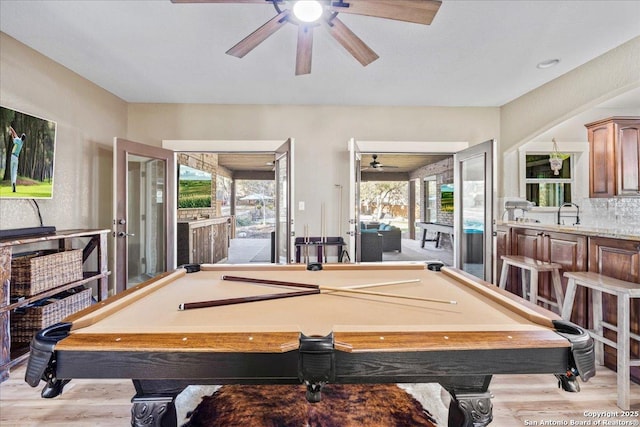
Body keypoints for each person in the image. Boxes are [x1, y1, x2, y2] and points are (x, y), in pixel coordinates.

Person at [8, 126, 26, 193]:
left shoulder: (18, 140)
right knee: (15, 172)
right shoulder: (21, 143)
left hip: (13, 157)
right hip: (17, 158)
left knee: (11, 172)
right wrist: (12, 133)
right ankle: (14, 183)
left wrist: (11, 129)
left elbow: (14, 137)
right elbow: (15, 136)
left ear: (21, 137)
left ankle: (12, 188)